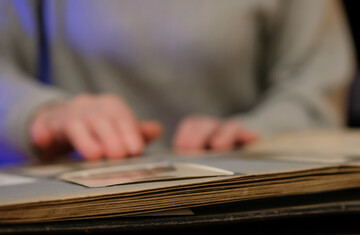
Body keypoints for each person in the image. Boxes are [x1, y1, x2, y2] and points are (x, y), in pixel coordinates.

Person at [0, 0, 355, 163]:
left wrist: (253, 134)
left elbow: (313, 86)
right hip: (65, 197)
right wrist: (38, 113)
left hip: (244, 200)